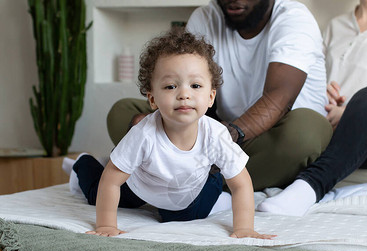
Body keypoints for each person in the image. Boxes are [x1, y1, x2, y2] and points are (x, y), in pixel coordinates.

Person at [67, 30, 275, 239]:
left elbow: (241, 183)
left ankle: (207, 194)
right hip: (141, 183)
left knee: (188, 214)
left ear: (211, 97)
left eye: (195, 85)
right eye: (170, 86)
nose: (184, 94)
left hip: (186, 189)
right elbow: (111, 181)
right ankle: (84, 163)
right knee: (98, 194)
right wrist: (106, 225)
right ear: (152, 99)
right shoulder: (144, 134)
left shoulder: (216, 135)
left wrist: (244, 228)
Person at [106, 0, 333, 192]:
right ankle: (195, 179)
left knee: (306, 132)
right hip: (218, 133)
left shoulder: (294, 18)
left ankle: (170, 179)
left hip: (271, 137)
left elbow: (279, 97)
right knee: (124, 112)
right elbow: (193, 92)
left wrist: (226, 137)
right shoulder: (205, 17)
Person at [257, 0, 367, 216]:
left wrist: (349, 110)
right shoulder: (335, 25)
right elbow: (317, 79)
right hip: (333, 126)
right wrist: (326, 92)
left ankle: (309, 188)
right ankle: (232, 189)